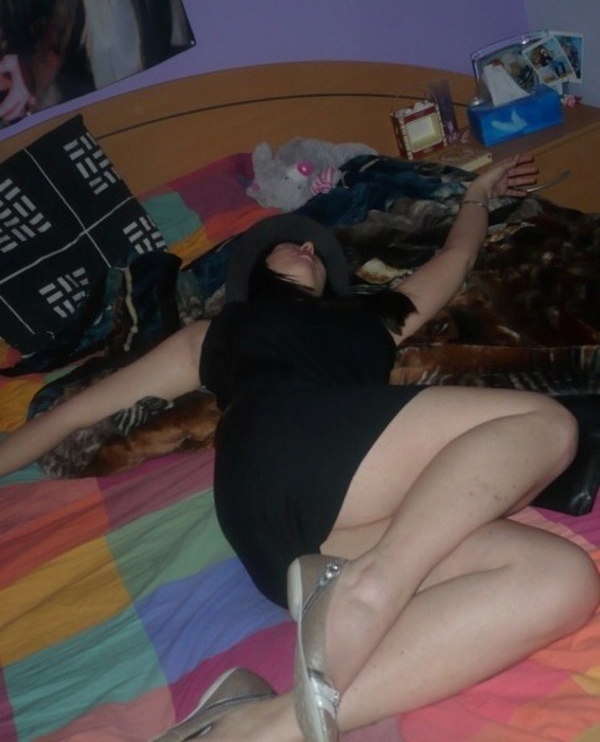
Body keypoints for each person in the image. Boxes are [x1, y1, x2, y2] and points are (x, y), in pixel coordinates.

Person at [1, 155, 598, 742]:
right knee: (547, 426)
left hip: (298, 547)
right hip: (283, 445)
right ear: (254, 274)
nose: (309, 247)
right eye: (289, 244)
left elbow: (457, 257)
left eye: (316, 247)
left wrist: (477, 193)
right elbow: (75, 412)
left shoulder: (376, 319)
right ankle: (376, 586)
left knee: (561, 580)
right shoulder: (219, 332)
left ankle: (261, 725)